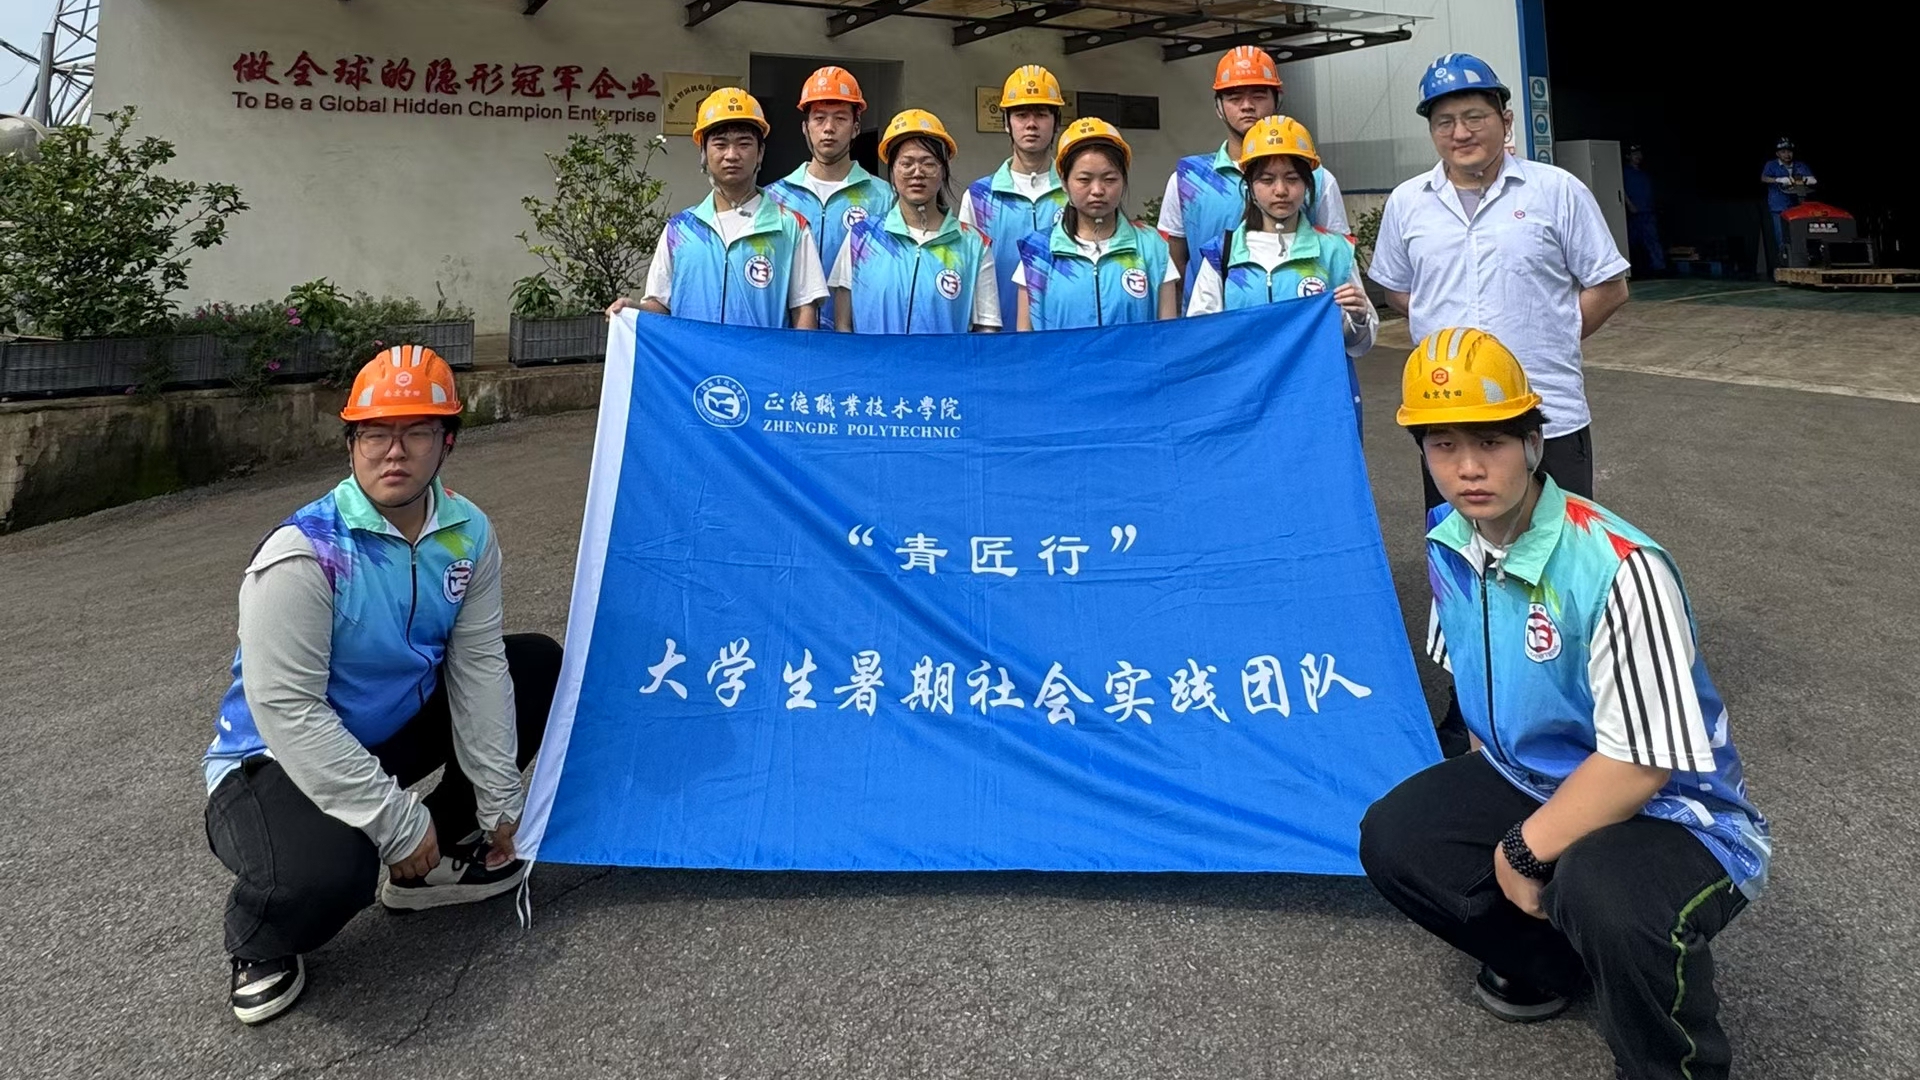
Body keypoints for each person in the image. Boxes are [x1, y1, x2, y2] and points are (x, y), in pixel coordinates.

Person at [1359, 327, 1770, 1080]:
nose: (1469, 468)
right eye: (1444, 445)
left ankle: (1669, 1062)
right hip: (1535, 777)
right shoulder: (1449, 540)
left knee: (1602, 890)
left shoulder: (1617, 565)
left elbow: (1642, 764)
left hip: (1675, 811)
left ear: (1534, 442)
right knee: (1396, 836)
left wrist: (1521, 848)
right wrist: (1501, 816)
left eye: (1491, 441)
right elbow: (1478, 700)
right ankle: (1558, 963)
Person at [203, 345, 564, 1025]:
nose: (393, 451)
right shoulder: (304, 552)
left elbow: (478, 664)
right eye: (374, 433)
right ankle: (261, 937)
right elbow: (288, 710)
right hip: (271, 760)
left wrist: (499, 802)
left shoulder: (467, 533)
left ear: (448, 441)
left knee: (535, 665)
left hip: (386, 732)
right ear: (351, 444)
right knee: (332, 871)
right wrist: (394, 822)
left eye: (417, 431)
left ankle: (441, 853)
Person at [1368, 52, 1630, 508]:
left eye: (1474, 117)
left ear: (1505, 121)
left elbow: (1609, 286)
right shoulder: (1407, 202)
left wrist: (1553, 332)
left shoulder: (1556, 190)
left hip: (1546, 409)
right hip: (1447, 413)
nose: (1460, 133)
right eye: (1445, 122)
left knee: (1559, 544)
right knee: (1462, 546)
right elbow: (1399, 290)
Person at [1186, 115, 1376, 421]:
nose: (1281, 190)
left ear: (1308, 183)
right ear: (1249, 185)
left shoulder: (1335, 251)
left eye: (1292, 178)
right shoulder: (1222, 253)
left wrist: (1357, 319)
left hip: (1314, 405)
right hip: (1244, 406)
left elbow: (1359, 344)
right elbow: (1201, 335)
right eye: (1266, 180)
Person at [606, 87, 826, 328]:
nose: (732, 155)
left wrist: (800, 352)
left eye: (744, 144)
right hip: (693, 355)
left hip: (761, 355)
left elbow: (804, 311)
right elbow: (660, 306)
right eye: (720, 144)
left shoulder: (791, 227)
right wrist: (633, 311)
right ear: (703, 153)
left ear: (760, 153)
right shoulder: (680, 231)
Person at [1157, 46, 1352, 304]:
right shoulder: (1188, 179)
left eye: (1259, 96)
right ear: (1218, 106)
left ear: (1277, 100)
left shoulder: (1317, 177)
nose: (1247, 106)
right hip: (1211, 320)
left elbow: (1338, 261)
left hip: (1296, 323)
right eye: (1234, 97)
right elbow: (1173, 265)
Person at [829, 109, 999, 334]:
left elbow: (987, 329)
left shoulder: (974, 245)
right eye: (906, 163)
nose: (917, 172)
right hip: (874, 359)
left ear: (943, 171)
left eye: (928, 163)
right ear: (892, 171)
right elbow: (843, 324)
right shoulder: (861, 237)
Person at [1012, 117, 1178, 330]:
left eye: (1109, 179)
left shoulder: (1151, 246)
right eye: (1084, 179)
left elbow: (1168, 335)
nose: (1098, 190)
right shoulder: (1037, 253)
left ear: (1123, 180)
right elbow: (1026, 340)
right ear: (1064, 183)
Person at [765, 66, 896, 330]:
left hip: (857, 338)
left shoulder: (883, 197)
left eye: (840, 118)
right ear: (805, 128)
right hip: (790, 337)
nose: (828, 128)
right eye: (819, 118)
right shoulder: (775, 197)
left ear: (856, 128)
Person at [959, 65, 1069, 321]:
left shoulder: (1073, 192)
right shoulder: (979, 197)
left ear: (1056, 122)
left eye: (1041, 114)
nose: (1031, 124)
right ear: (1006, 123)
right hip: (999, 333)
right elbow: (966, 271)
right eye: (1021, 115)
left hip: (1063, 332)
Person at [1760, 137, 1817, 262]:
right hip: (1779, 205)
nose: (1787, 154)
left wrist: (1806, 180)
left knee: (1800, 230)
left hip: (1798, 205)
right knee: (1781, 232)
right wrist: (1778, 179)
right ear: (1778, 154)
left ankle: (1804, 256)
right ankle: (1784, 256)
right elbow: (1764, 178)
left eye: (1789, 151)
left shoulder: (1800, 165)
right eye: (1783, 152)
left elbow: (1813, 179)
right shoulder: (1772, 165)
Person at [1622, 145, 1665, 275]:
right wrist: (1629, 204)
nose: (1638, 156)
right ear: (1628, 156)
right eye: (1634, 154)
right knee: (1633, 241)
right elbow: (1621, 189)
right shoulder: (1625, 173)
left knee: (1652, 239)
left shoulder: (1644, 174)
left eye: (1639, 153)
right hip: (1634, 213)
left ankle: (1658, 268)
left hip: (1648, 211)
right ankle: (1635, 269)